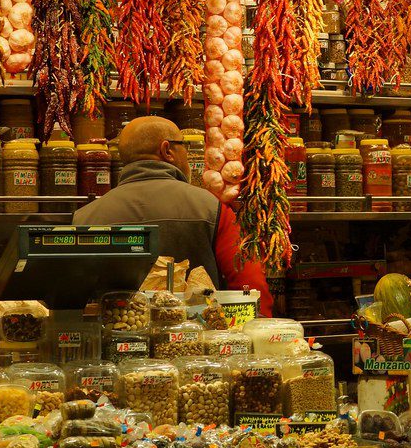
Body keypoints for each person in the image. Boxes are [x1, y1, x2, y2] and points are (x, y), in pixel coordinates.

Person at [73, 116, 273, 315]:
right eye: (183, 146)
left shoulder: (85, 217)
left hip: (115, 337)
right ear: (167, 150)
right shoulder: (211, 208)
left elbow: (75, 296)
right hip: (195, 339)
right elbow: (250, 285)